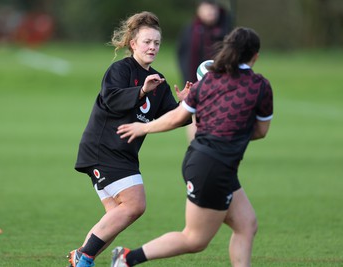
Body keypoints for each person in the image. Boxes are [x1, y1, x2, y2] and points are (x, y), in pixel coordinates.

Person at [112, 27, 273, 267]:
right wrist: (232, 129)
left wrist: (143, 127)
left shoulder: (207, 81)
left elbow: (177, 116)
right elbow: (260, 132)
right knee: (195, 239)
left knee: (246, 224)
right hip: (212, 166)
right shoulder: (260, 85)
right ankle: (126, 259)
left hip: (207, 161)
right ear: (255, 57)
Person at [67, 11, 191, 267]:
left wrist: (186, 104)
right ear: (133, 43)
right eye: (147, 41)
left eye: (157, 43)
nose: (152, 47)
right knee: (135, 205)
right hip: (104, 149)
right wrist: (142, 90)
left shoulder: (159, 81)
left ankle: (80, 259)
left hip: (123, 154)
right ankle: (85, 256)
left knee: (114, 218)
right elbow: (112, 99)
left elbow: (171, 118)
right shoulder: (120, 70)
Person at [177, 0, 232, 141]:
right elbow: (182, 55)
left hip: (222, 83)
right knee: (195, 116)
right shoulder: (191, 30)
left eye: (212, 9)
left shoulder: (227, 29)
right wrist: (188, 80)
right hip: (195, 83)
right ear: (199, 10)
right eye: (206, 8)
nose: (210, 12)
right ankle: (195, 147)